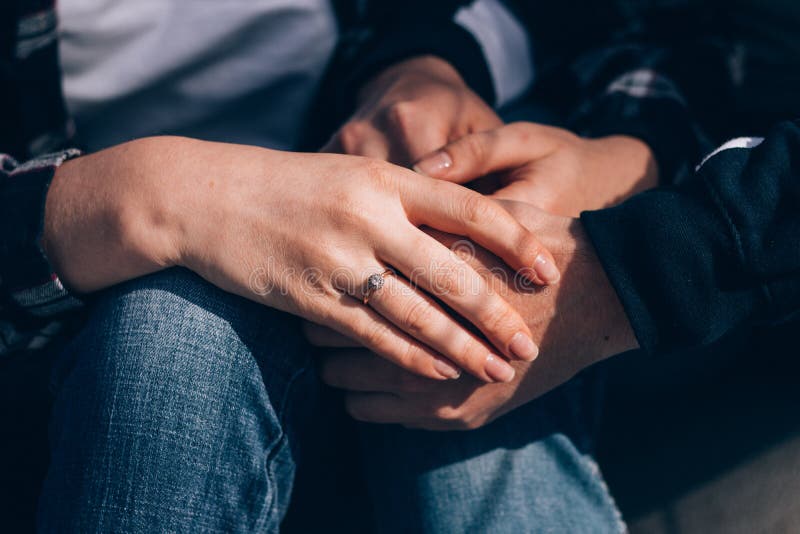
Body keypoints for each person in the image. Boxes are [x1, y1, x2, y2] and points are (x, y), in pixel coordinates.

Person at [3, 1, 629, 532]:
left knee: (459, 288)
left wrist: (425, 58)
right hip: (86, 305)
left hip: (399, 179)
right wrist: (152, 196)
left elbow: (624, 30)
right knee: (170, 326)